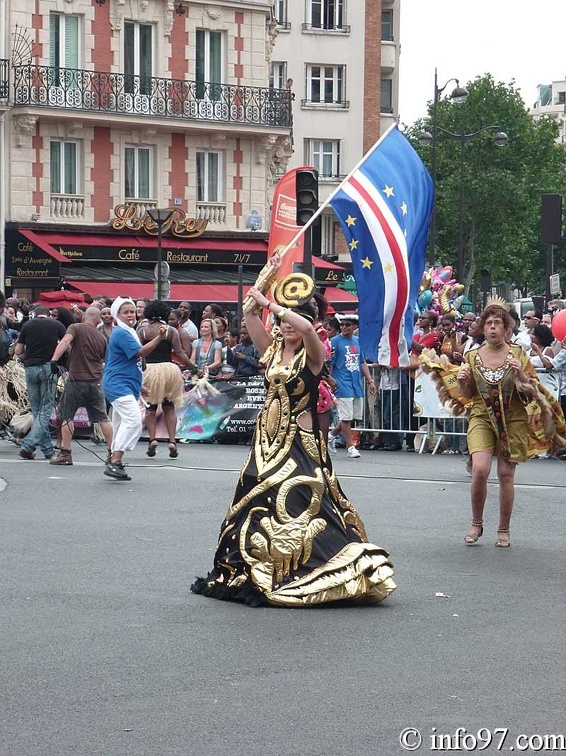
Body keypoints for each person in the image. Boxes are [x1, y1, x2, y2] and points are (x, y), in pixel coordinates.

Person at [190, 269, 396, 607]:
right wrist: (265, 279)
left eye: (295, 319)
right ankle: (255, 565)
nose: (288, 325)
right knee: (253, 494)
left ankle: (312, 564)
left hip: (300, 439)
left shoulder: (312, 353)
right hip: (267, 438)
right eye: (284, 320)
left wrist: (272, 304)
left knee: (303, 498)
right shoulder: (271, 351)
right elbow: (248, 313)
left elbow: (301, 326)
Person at [448, 299, 566, 547]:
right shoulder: (471, 355)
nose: (492, 327)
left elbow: (530, 393)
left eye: (497, 323)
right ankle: (476, 522)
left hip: (513, 417)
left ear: (506, 328)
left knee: (505, 474)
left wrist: (522, 375)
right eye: (488, 323)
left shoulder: (518, 355)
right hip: (481, 416)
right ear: (483, 328)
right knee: (480, 470)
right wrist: (462, 381)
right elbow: (468, 395)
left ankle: (504, 528)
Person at [102, 297, 168, 481]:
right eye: (126, 312)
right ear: (118, 315)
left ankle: (113, 458)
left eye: (132, 311)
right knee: (133, 421)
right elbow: (139, 354)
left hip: (124, 383)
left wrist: (139, 386)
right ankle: (116, 460)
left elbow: (129, 363)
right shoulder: (122, 333)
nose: (131, 315)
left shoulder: (127, 331)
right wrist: (159, 339)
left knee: (121, 423)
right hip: (118, 384)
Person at [49, 306, 113, 465]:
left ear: (84, 317)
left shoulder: (75, 327)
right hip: (95, 381)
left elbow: (65, 341)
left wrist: (54, 360)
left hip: (76, 379)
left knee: (66, 416)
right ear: (98, 320)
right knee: (103, 418)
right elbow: (102, 359)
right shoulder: (101, 338)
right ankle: (113, 453)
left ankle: (66, 453)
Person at [137, 301, 193, 458]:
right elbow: (180, 353)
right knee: (169, 408)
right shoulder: (171, 331)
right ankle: (172, 441)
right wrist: (193, 367)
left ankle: (152, 439)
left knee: (150, 408)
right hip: (169, 370)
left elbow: (138, 352)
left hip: (150, 371)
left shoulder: (143, 330)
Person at [14, 305, 66, 460]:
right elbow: (67, 346)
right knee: (45, 410)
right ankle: (28, 445)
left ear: (34, 315)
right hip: (49, 368)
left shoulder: (27, 325)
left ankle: (48, 450)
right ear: (48, 314)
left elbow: (18, 351)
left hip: (30, 369)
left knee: (37, 410)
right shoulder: (57, 325)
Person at [327, 315, 376, 458]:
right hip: (341, 382)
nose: (343, 327)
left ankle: (331, 435)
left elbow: (362, 362)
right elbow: (329, 364)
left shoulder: (358, 341)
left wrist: (370, 380)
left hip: (356, 383)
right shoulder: (334, 342)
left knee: (352, 417)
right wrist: (329, 381)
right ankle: (351, 447)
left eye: (347, 325)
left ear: (354, 326)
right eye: (341, 325)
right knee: (346, 418)